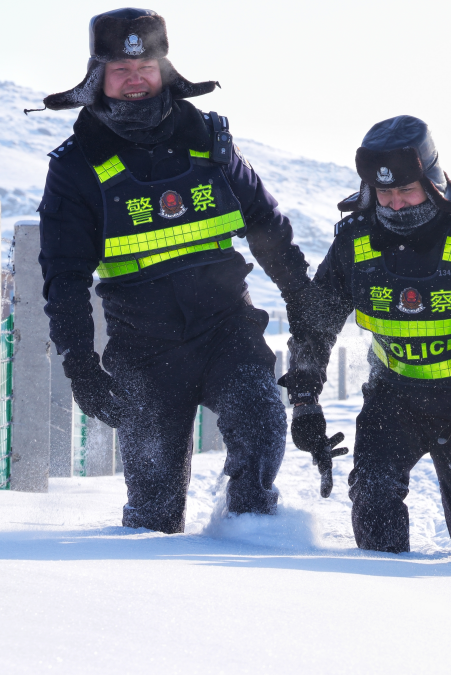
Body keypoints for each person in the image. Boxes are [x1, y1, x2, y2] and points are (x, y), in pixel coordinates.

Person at [33, 8, 312, 533]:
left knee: (261, 425)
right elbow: (64, 281)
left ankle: (249, 537)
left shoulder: (211, 140)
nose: (136, 78)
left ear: (165, 69)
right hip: (143, 349)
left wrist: (304, 304)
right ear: (98, 77)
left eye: (147, 65)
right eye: (121, 69)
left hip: (227, 328)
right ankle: (160, 594)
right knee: (153, 515)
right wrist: (83, 370)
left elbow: (268, 227)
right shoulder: (74, 166)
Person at [281, 115, 451, 557]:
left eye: (406, 192)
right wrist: (303, 401)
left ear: (432, 184)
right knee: (373, 504)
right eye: (384, 194)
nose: (394, 205)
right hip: (392, 398)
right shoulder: (353, 240)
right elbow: (314, 327)